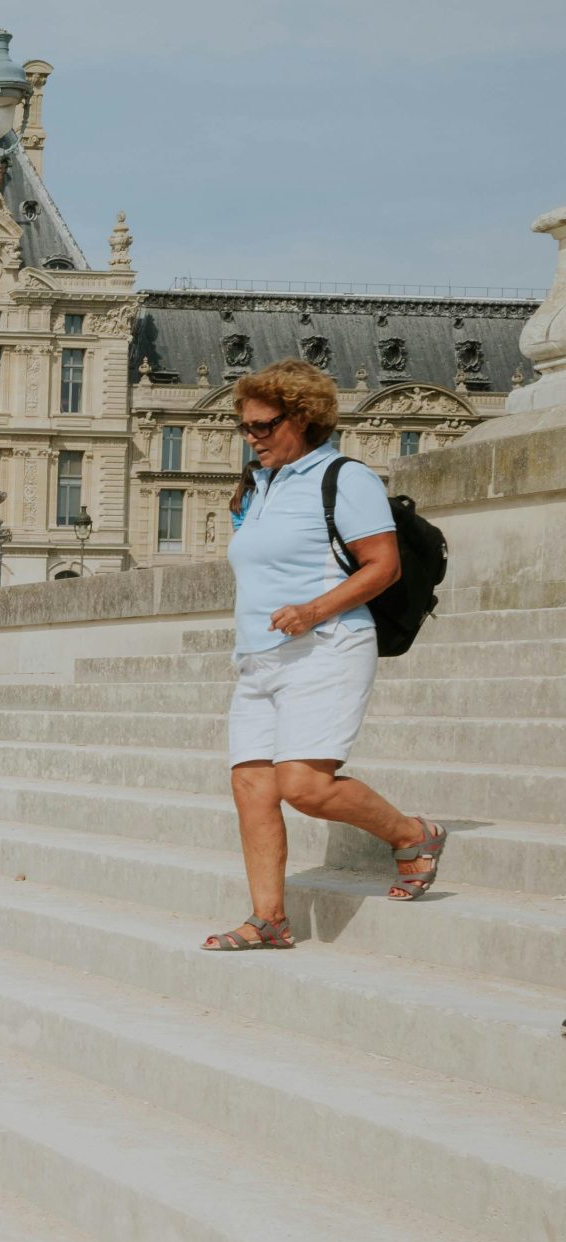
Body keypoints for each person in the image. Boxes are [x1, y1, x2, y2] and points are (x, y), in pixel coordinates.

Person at [205, 359, 443, 950]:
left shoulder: (344, 477)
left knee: (304, 787)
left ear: (304, 419)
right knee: (252, 786)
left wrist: (312, 610)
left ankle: (413, 834)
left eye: (264, 426)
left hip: (326, 647)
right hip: (260, 658)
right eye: (245, 427)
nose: (253, 437)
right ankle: (269, 920)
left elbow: (382, 567)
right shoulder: (258, 485)